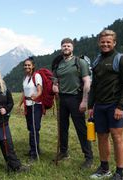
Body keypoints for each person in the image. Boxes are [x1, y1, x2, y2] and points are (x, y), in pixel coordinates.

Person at [88, 30, 123, 180]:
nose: (105, 44)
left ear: (114, 43)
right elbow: (94, 85)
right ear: (99, 43)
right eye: (103, 42)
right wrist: (90, 106)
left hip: (115, 105)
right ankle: (104, 168)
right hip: (99, 106)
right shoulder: (97, 61)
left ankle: (120, 173)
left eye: (108, 42)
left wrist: (121, 106)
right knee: (101, 136)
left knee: (117, 137)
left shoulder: (122, 60)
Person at [52, 38, 93, 169]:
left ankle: (88, 157)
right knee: (62, 127)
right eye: (64, 46)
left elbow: (87, 82)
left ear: (72, 47)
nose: (66, 48)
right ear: (61, 48)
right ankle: (64, 152)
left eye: (68, 46)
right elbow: (55, 77)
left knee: (81, 128)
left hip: (76, 98)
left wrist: (84, 101)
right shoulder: (58, 63)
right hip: (62, 99)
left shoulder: (79, 62)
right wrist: (55, 85)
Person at [18, 57, 43, 162]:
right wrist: (19, 104)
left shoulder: (36, 76)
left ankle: (34, 153)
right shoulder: (25, 78)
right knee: (30, 128)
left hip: (35, 105)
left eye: (29, 65)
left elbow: (40, 90)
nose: (27, 66)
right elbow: (24, 92)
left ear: (33, 66)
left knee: (34, 129)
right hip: (28, 105)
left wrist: (36, 96)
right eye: (25, 65)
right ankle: (34, 149)